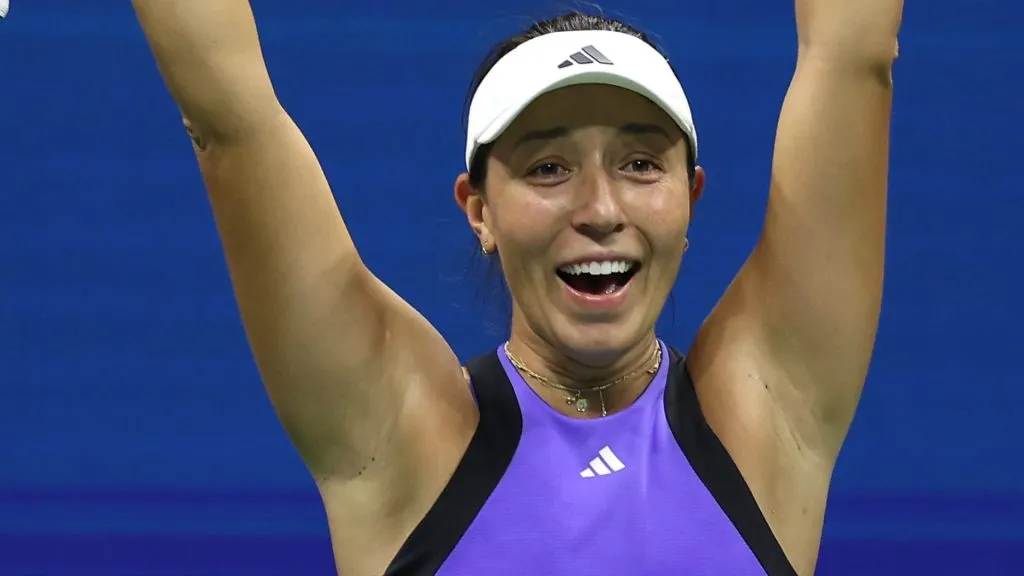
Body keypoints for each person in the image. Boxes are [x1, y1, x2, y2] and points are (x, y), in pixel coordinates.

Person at [130, 1, 902, 574]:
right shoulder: (398, 436)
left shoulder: (767, 407)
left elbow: (853, 53)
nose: (601, 209)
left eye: (640, 164)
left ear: (690, 197)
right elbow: (228, 118)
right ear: (480, 210)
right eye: (548, 168)